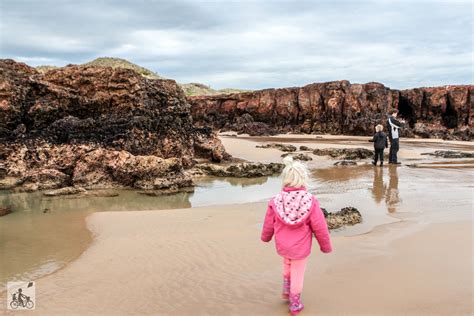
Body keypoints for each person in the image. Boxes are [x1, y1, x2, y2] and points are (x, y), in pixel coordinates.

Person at [261, 156, 332, 315]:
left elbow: (268, 223)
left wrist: (266, 237)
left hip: (283, 245)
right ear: (304, 179)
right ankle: (294, 303)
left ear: (285, 179)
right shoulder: (310, 201)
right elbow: (319, 226)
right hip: (300, 248)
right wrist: (325, 246)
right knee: (297, 273)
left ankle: (286, 292)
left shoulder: (276, 200)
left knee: (287, 265)